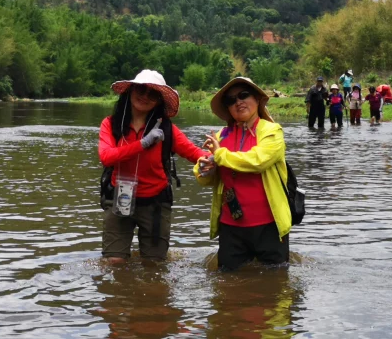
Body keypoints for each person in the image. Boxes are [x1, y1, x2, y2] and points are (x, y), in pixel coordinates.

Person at [99, 69, 207, 264]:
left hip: (155, 203)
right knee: (113, 263)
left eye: (153, 94)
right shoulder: (111, 124)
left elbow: (195, 153)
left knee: (154, 265)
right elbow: (106, 157)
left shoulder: (167, 130)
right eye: (141, 89)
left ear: (158, 101)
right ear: (131, 90)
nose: (145, 96)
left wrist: (217, 157)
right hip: (119, 198)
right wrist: (143, 144)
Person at [193, 77, 291, 271]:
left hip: (269, 224)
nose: (238, 102)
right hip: (231, 225)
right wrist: (205, 169)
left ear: (256, 99)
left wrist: (219, 155)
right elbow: (204, 175)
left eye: (243, 95)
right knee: (227, 285)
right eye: (231, 100)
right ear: (228, 108)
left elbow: (258, 160)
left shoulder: (272, 131)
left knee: (275, 283)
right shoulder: (221, 135)